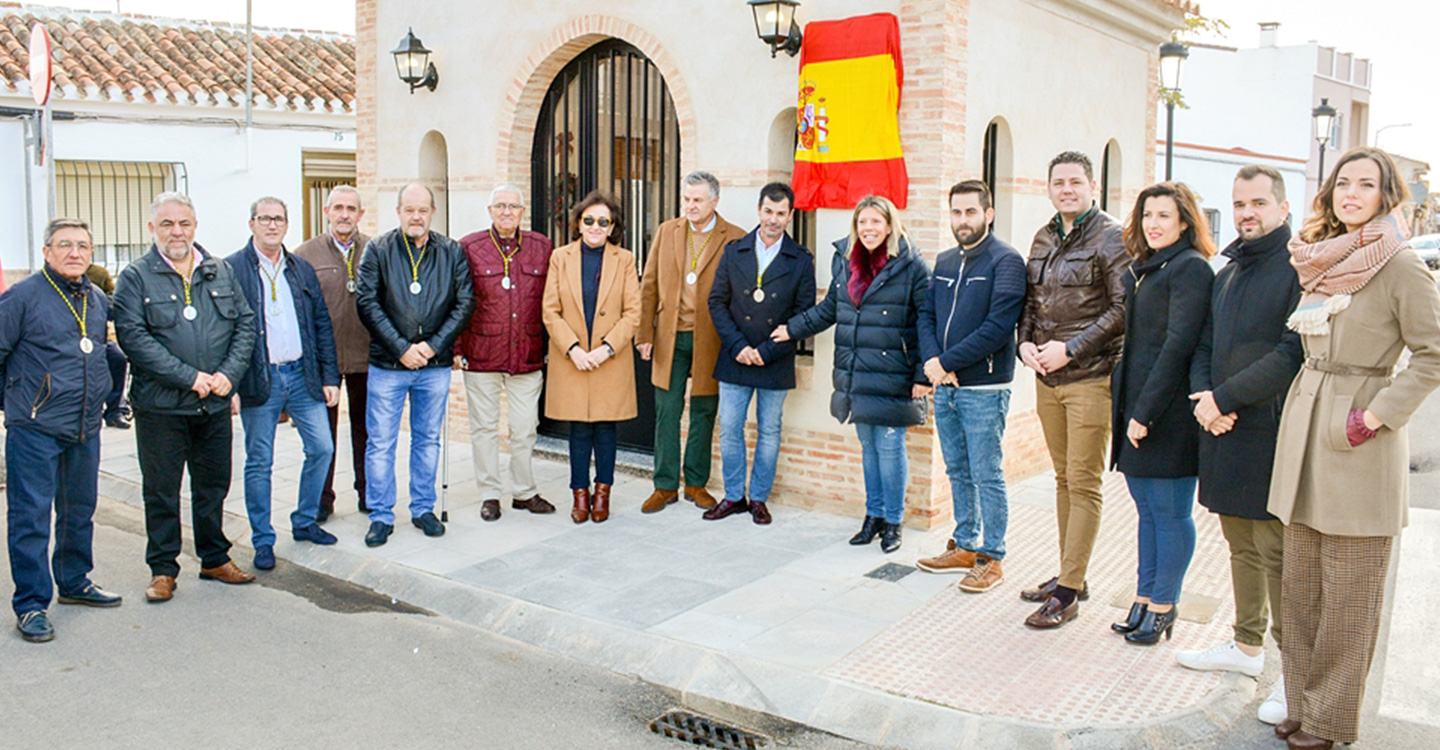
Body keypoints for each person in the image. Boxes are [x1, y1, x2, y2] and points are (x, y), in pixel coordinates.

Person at [1268, 147, 1440, 750]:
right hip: (1306, 434)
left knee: (1350, 596)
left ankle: (1330, 720)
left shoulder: (1398, 265)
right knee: (1302, 590)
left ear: (1386, 196)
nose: (1351, 193)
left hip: (1359, 438)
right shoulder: (1319, 262)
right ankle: (1300, 703)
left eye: (1366, 185)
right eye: (1343, 183)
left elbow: (1433, 353)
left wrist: (1376, 416)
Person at [1176, 165, 1301, 725]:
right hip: (1221, 425)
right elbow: (1205, 341)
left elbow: (1290, 353)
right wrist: (1206, 396)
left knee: (1277, 558)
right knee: (1239, 547)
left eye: (1257, 202)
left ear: (1281, 207)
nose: (1248, 212)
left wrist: (1223, 398)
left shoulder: (1299, 268)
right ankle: (1247, 649)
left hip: (1269, 431)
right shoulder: (1227, 271)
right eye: (1239, 203)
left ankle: (1293, 678)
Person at [113, 192, 258, 602]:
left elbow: (245, 324)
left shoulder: (220, 271)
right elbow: (134, 339)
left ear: (195, 226)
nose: (176, 232)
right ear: (152, 229)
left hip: (212, 405)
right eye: (167, 224)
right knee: (161, 490)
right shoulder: (135, 277)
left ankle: (214, 558)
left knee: (213, 486)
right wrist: (189, 376)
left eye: (184, 224)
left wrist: (228, 375)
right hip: (161, 407)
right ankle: (163, 569)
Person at [774, 195, 932, 553]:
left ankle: (894, 522)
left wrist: (924, 374)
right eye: (863, 222)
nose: (869, 229)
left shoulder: (911, 265)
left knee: (890, 449)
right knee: (868, 449)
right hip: (858, 373)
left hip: (897, 374)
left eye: (876, 222)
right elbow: (831, 307)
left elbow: (927, 319)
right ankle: (873, 517)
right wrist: (793, 329)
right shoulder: (845, 261)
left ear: (890, 225)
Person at [1016, 151, 1131, 629]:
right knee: (1062, 479)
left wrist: (1071, 349)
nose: (1067, 189)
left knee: (1083, 482)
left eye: (1075, 182)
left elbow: (1124, 308)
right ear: (1049, 188)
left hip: (1091, 377)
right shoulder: (1044, 236)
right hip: (1047, 377)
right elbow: (1031, 299)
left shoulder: (1112, 236)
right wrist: (1024, 342)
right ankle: (1071, 574)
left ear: (1093, 187)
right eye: (1058, 182)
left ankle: (1068, 592)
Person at [0, 218, 120, 642]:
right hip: (35, 428)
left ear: (91, 253)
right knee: (30, 517)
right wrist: (16, 404)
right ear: (47, 252)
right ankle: (31, 604)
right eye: (65, 245)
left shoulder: (95, 297)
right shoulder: (22, 298)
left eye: (82, 246)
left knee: (78, 510)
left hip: (84, 425)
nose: (74, 253)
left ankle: (74, 581)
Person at [1108, 182, 1215, 645]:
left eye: (1164, 216)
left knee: (1170, 513)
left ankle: (1164, 605)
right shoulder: (1148, 268)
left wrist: (1145, 413)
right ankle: (1145, 596)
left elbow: (1177, 347)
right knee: (1146, 512)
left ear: (1185, 222)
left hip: (1167, 412)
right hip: (1137, 404)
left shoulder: (1190, 269)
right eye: (1147, 215)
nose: (1153, 223)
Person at [915, 180, 1026, 593]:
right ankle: (964, 544)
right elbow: (926, 314)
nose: (963, 220)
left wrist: (945, 362)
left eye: (971, 212)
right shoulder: (944, 261)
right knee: (957, 469)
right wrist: (933, 364)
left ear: (988, 214)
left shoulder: (1006, 261)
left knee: (986, 473)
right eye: (957, 212)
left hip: (984, 388)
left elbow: (998, 328)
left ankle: (991, 556)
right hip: (946, 386)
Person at [355, 183, 475, 547]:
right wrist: (402, 348)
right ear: (398, 212)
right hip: (388, 366)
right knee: (381, 443)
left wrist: (433, 346)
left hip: (434, 366)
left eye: (423, 210)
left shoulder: (451, 251)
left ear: (433, 213)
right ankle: (380, 515)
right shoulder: (377, 249)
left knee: (427, 440)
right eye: (409, 210)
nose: (416, 217)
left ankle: (423, 508)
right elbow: (367, 303)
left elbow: (464, 302)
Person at [227, 197, 341, 571]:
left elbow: (322, 324)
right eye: (264, 219)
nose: (272, 225)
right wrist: (231, 385)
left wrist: (328, 376)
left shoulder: (301, 269)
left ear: (287, 225)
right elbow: (224, 331)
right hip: (260, 379)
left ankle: (305, 520)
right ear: (251, 223)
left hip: (302, 375)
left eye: (278, 219)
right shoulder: (231, 269)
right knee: (259, 461)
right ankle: (263, 539)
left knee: (322, 448)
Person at [636, 171, 748, 514]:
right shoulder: (668, 231)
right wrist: (643, 333)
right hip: (669, 337)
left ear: (715, 200)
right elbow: (649, 284)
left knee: (703, 411)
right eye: (686, 199)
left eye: (698, 200)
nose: (691, 206)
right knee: (667, 411)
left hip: (711, 341)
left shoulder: (735, 238)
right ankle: (664, 485)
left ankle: (696, 483)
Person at [705, 182, 816, 525]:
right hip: (735, 355)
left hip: (774, 359)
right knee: (730, 429)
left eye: (781, 213)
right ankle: (734, 496)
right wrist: (739, 347)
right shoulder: (733, 250)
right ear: (759, 210)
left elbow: (804, 314)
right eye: (768, 211)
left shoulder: (800, 260)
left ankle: (758, 499)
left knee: (769, 431)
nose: (773, 219)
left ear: (790, 215)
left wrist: (765, 351)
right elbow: (716, 303)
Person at [542, 191, 640, 524]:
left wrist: (605, 348)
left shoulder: (624, 260)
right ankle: (579, 495)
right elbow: (550, 311)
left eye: (603, 221)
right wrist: (573, 349)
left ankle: (602, 494)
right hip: (572, 359)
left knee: (605, 428)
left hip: (609, 358)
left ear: (613, 227)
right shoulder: (560, 257)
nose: (595, 227)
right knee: (579, 430)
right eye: (589, 220)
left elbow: (633, 312)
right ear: (578, 224)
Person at [457, 185, 554, 521]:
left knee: (525, 427)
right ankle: (489, 494)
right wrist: (456, 348)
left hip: (527, 355)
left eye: (513, 206)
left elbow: (552, 299)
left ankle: (524, 492)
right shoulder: (470, 246)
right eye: (500, 206)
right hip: (481, 353)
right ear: (490, 210)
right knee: (483, 428)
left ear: (523, 211)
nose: (507, 212)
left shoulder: (541, 247)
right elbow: (458, 299)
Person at [294, 185, 373, 522]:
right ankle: (322, 500)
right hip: (322, 362)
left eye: (351, 208)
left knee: (367, 431)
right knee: (321, 437)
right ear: (326, 212)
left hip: (367, 356)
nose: (344, 214)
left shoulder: (376, 249)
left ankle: (368, 493)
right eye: (338, 207)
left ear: (360, 214)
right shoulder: (305, 255)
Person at [84, 262, 132, 429]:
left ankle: (115, 410)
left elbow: (113, 300)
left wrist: (101, 304)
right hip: (69, 341)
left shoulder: (99, 273)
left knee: (118, 359)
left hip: (99, 338)